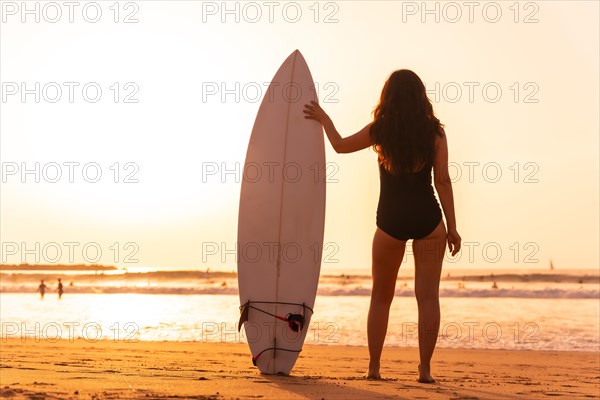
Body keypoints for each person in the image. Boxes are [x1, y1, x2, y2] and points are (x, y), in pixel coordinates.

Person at [304, 69, 461, 384]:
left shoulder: (381, 129)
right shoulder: (434, 132)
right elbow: (442, 181)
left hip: (390, 221)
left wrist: (323, 118)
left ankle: (374, 368)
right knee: (428, 297)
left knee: (380, 297)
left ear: (387, 96)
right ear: (420, 96)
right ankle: (425, 371)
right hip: (428, 219)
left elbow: (340, 145)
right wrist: (453, 227)